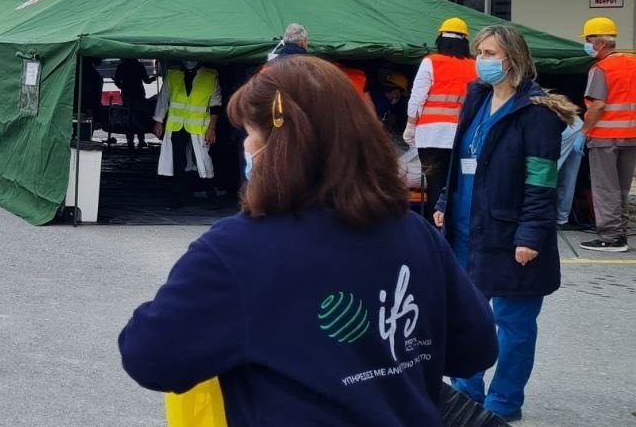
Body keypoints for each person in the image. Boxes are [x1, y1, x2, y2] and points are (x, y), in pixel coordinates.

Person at [119, 56, 497, 427]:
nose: (247, 149)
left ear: (280, 146)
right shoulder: (414, 233)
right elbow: (475, 349)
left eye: (251, 134)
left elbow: (149, 358)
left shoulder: (237, 251)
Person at [432, 24, 565, 421]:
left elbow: (541, 182)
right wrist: (443, 198)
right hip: (465, 231)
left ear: (513, 58)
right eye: (480, 52)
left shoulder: (537, 113)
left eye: (489, 53)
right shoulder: (476, 98)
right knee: (469, 318)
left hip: (511, 235)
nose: (482, 61)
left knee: (514, 324)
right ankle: (467, 394)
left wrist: (530, 234)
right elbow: (461, 159)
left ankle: (504, 402)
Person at [405, 18, 476, 219]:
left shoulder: (431, 62)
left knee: (435, 184)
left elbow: (417, 98)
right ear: (465, 40)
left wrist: (410, 125)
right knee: (458, 184)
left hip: (430, 135)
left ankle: (435, 232)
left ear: (440, 38)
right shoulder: (474, 66)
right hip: (462, 135)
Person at [579, 16, 634, 251]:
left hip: (605, 138)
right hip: (632, 136)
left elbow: (598, 105)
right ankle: (619, 231)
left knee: (605, 188)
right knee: (621, 187)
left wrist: (584, 132)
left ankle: (610, 238)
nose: (587, 45)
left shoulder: (601, 68)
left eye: (589, 40)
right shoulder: (633, 62)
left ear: (599, 43)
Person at [153, 60, 222, 197]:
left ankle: (211, 193)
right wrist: (158, 121)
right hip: (177, 126)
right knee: (178, 162)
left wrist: (212, 128)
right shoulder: (173, 75)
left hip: (199, 127)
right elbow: (163, 99)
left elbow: (216, 104)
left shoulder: (210, 76)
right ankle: (177, 195)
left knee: (203, 160)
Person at [113, 57, 154, 150]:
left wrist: (123, 87)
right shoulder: (139, 65)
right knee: (139, 116)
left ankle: (130, 141)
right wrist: (152, 79)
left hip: (127, 94)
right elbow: (146, 80)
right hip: (138, 93)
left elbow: (116, 81)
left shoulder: (121, 66)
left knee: (129, 117)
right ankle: (141, 140)